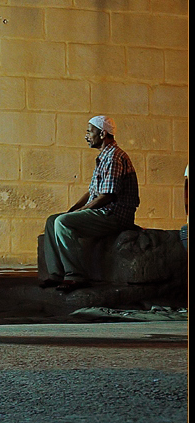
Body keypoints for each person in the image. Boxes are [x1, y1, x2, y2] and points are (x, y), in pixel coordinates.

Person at [40, 116, 141, 293]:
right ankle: (56, 274)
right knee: (52, 221)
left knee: (63, 223)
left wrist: (79, 212)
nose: (86, 136)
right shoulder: (105, 156)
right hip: (103, 211)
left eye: (89, 131)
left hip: (114, 215)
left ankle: (76, 276)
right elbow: (92, 192)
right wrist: (72, 210)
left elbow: (107, 196)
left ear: (102, 133)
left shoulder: (114, 157)